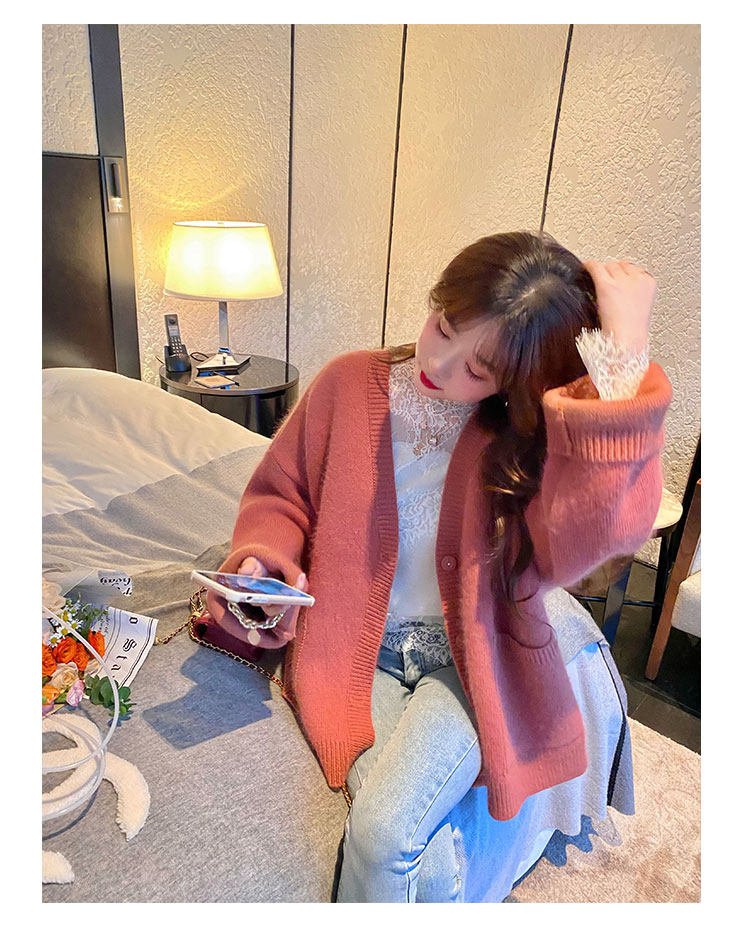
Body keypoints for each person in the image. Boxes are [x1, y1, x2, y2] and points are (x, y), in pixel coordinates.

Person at [205, 230, 672, 902]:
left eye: (478, 368)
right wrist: (263, 560)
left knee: (384, 832)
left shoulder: (525, 442)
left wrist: (623, 360)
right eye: (442, 325)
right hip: (356, 653)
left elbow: (592, 538)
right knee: (413, 859)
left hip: (473, 665)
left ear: (515, 381)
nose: (438, 362)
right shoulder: (346, 385)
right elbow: (283, 496)